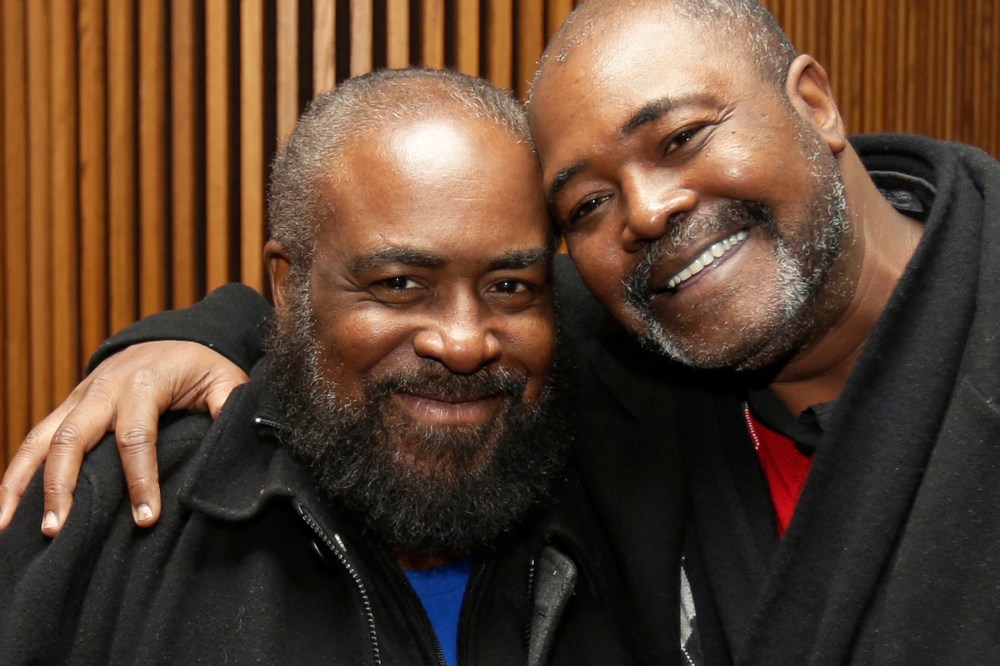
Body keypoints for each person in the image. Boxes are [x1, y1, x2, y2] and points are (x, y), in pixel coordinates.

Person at [5, 0, 1000, 662]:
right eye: (587, 203)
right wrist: (189, 340)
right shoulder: (622, 347)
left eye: (682, 136)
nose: (646, 213)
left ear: (814, 103)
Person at [0, 69, 641, 665]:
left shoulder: (626, 469)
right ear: (289, 288)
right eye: (398, 283)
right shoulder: (115, 508)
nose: (464, 343)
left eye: (509, 286)